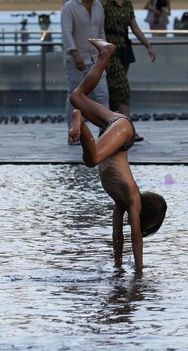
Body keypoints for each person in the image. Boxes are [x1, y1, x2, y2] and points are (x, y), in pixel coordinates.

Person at [67, 38, 167, 272]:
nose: (135, 225)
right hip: (122, 130)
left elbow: (117, 234)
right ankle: (80, 122)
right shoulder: (132, 199)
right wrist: (139, 271)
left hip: (117, 127)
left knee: (77, 96)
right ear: (145, 217)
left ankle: (105, 53)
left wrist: (118, 265)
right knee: (92, 159)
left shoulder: (120, 203)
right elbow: (135, 237)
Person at [101, 0, 156, 142]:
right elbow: (98, 28)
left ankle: (108, 128)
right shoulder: (104, 4)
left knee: (115, 91)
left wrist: (147, 45)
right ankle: (129, 130)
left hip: (123, 48)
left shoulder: (127, 4)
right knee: (123, 87)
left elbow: (134, 27)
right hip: (110, 50)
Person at [61, 0, 109, 139]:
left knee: (103, 94)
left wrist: (105, 55)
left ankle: (106, 130)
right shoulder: (69, 7)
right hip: (76, 59)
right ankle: (73, 131)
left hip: (96, 59)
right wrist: (75, 53)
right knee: (75, 97)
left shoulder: (98, 6)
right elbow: (66, 32)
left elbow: (100, 32)